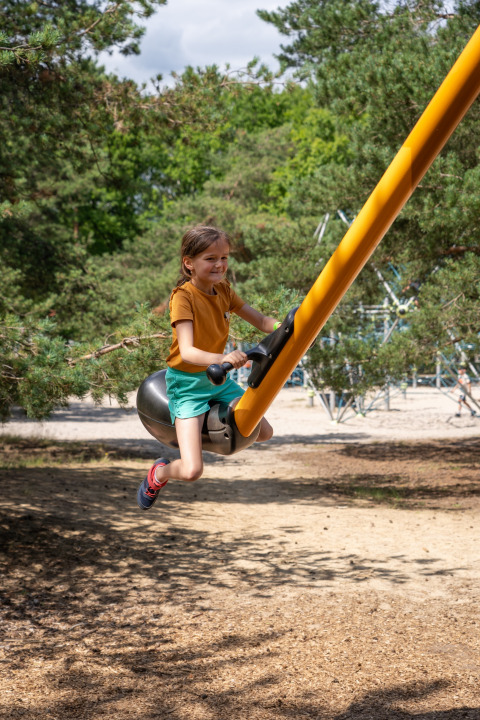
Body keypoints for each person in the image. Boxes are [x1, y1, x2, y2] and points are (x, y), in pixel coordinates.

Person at [137, 225, 277, 510]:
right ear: (189, 263)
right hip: (188, 385)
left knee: (264, 432)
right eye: (210, 258)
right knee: (191, 471)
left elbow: (262, 322)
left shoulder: (224, 290)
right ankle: (158, 473)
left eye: (224, 257)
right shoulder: (183, 297)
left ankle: (206, 429)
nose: (219, 264)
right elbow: (187, 352)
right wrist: (223, 358)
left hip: (218, 380)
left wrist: (289, 328)